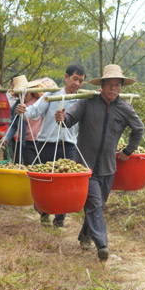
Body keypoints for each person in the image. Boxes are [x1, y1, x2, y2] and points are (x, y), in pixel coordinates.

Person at [54, 64, 144, 261]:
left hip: (108, 167)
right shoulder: (88, 102)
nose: (113, 88)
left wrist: (128, 151)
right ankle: (102, 245)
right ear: (101, 85)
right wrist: (61, 117)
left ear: (121, 87)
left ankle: (84, 237)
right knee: (94, 203)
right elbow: (69, 119)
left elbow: (139, 130)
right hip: (85, 165)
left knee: (98, 204)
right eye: (109, 84)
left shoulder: (124, 109)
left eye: (117, 85)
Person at [16, 64, 86, 227]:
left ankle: (60, 218)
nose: (76, 84)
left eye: (81, 81)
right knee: (46, 180)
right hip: (46, 143)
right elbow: (34, 111)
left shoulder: (82, 100)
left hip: (68, 145)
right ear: (66, 77)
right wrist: (23, 110)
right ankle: (44, 211)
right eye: (74, 79)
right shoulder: (52, 94)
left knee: (65, 181)